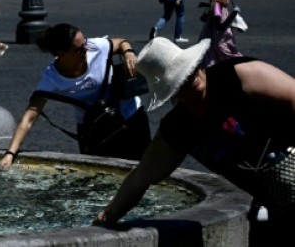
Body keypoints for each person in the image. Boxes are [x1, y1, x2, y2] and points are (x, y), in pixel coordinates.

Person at [93, 38, 295, 243]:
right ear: (170, 90)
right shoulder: (179, 127)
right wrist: (107, 217)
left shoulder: (236, 76)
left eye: (192, 68)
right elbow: (142, 177)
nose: (192, 76)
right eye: (181, 78)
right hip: (274, 200)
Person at [0, 23, 149, 169]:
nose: (86, 49)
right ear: (61, 54)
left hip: (131, 117)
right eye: (80, 48)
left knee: (144, 171)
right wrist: (10, 153)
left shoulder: (95, 47)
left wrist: (128, 52)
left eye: (85, 43)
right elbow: (29, 117)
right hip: (95, 130)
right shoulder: (52, 78)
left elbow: (121, 42)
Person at [198, 0, 242, 68]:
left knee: (221, 42)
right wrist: (205, 4)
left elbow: (224, 2)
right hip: (214, 16)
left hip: (220, 16)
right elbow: (215, 3)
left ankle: (234, 62)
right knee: (209, 41)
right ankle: (211, 64)